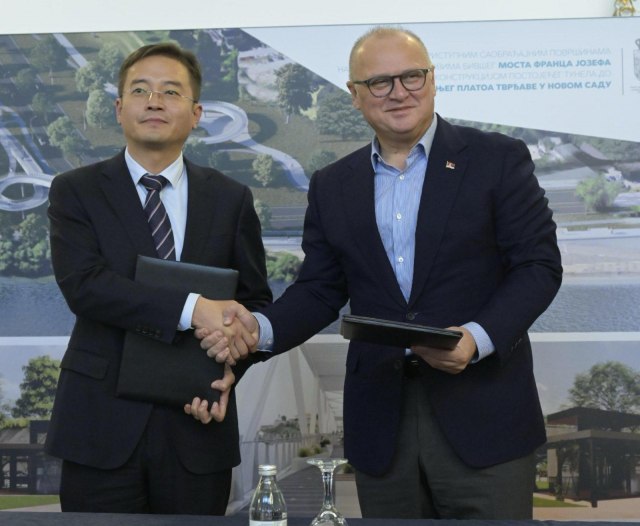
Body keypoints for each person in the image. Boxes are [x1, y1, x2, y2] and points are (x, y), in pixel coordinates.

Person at [194, 27, 562, 519]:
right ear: (355, 94)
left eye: (412, 77)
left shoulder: (497, 159)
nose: (399, 92)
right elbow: (320, 290)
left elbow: (538, 266)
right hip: (383, 429)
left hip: (485, 419)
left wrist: (475, 339)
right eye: (380, 82)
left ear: (432, 79)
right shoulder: (332, 184)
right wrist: (255, 330)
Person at [45, 42, 271, 515]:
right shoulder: (76, 190)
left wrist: (230, 371)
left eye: (170, 91)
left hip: (197, 426)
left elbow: (252, 305)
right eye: (140, 90)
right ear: (119, 108)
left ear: (196, 113)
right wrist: (193, 309)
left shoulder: (230, 198)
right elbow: (86, 287)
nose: (154, 102)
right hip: (100, 426)